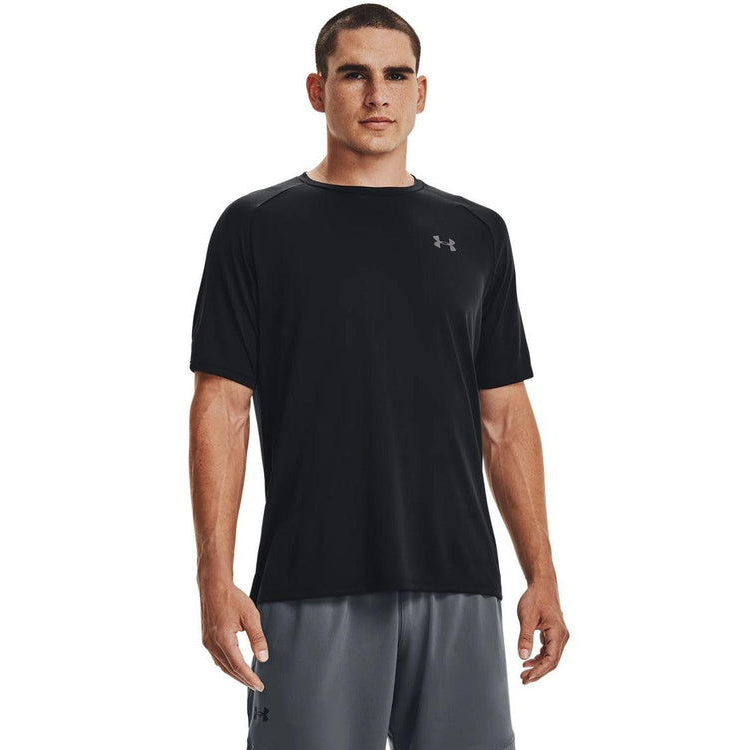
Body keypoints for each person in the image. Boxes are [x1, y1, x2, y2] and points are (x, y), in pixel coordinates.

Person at [188, 4, 569, 748]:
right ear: (317, 89)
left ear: (421, 93)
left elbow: (504, 418)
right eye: (353, 74)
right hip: (309, 581)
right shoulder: (257, 227)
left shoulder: (478, 232)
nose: (377, 95)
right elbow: (221, 408)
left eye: (397, 76)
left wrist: (542, 573)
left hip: (458, 580)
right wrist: (213, 575)